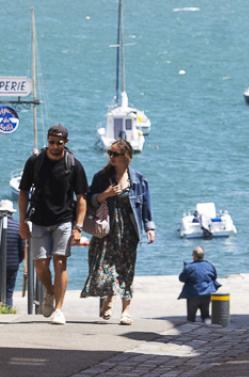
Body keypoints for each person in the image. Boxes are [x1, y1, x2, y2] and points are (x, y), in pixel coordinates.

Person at [78, 138, 154, 325]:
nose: (111, 157)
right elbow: (90, 201)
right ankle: (107, 298)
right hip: (106, 230)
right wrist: (106, 195)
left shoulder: (138, 180)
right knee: (103, 268)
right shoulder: (101, 177)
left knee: (126, 270)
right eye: (109, 153)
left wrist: (150, 228)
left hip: (129, 231)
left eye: (115, 154)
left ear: (127, 156)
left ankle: (126, 310)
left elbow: (145, 206)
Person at [19, 124, 88, 325]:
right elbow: (23, 192)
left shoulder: (73, 164)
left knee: (60, 262)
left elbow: (81, 197)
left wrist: (78, 227)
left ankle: (59, 309)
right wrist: (23, 221)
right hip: (38, 220)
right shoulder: (35, 162)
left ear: (65, 143)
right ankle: (49, 292)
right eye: (51, 142)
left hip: (63, 220)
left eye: (59, 143)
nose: (55, 146)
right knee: (40, 264)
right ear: (47, 141)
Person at [178, 246, 221, 324]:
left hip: (193, 294)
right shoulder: (210, 265)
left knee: (191, 318)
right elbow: (214, 276)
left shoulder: (189, 267)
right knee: (206, 316)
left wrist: (185, 270)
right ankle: (209, 331)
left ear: (194, 256)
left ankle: (191, 332)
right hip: (207, 294)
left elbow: (181, 279)